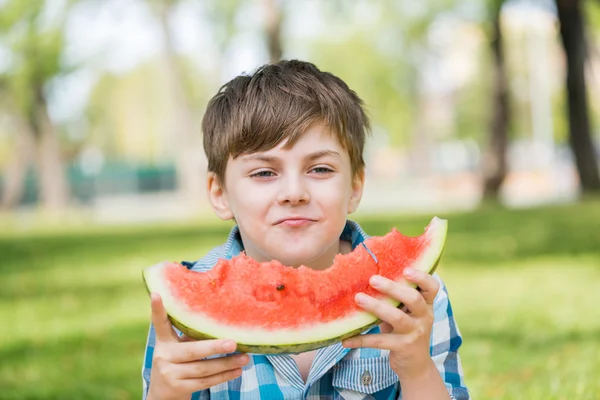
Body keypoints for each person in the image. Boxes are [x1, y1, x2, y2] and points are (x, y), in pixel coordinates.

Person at [141, 60, 469, 400]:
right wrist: (166, 392)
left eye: (320, 169)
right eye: (264, 173)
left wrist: (417, 368)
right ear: (220, 193)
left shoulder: (412, 296)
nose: (294, 193)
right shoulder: (178, 312)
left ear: (355, 186)